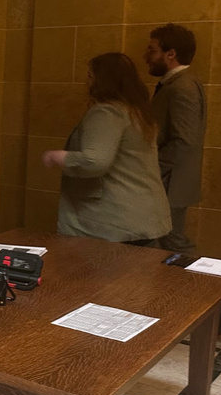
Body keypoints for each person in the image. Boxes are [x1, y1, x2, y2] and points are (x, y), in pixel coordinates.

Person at [42, 52, 171, 244]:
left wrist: (58, 157)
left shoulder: (107, 112)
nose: (87, 82)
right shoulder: (139, 113)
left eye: (91, 76)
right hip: (144, 214)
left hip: (114, 219)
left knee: (98, 273)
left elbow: (96, 161)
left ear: (104, 80)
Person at [144, 23, 206, 254]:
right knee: (170, 241)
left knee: (174, 241)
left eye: (152, 50)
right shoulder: (177, 85)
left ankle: (196, 287)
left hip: (171, 183)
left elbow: (184, 141)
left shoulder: (182, 87)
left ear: (171, 54)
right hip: (170, 181)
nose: (146, 56)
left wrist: (153, 169)